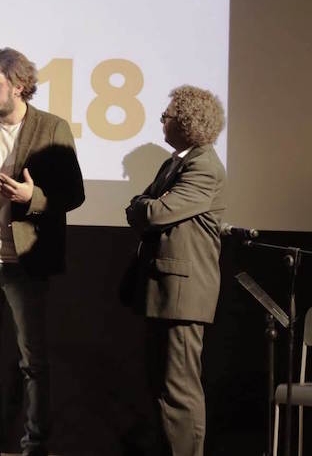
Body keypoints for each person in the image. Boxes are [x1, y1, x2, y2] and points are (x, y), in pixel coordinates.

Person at [0, 48, 85, 456]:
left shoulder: (51, 128)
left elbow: (74, 193)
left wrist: (33, 196)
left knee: (33, 362)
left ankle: (35, 445)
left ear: (19, 86)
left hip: (24, 263)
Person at [125, 85, 226, 456]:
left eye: (166, 116)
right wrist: (145, 205)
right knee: (162, 388)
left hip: (184, 293)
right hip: (165, 290)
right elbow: (137, 206)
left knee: (179, 391)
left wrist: (146, 205)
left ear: (186, 122)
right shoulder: (175, 163)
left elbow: (153, 212)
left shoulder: (203, 166)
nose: (161, 121)